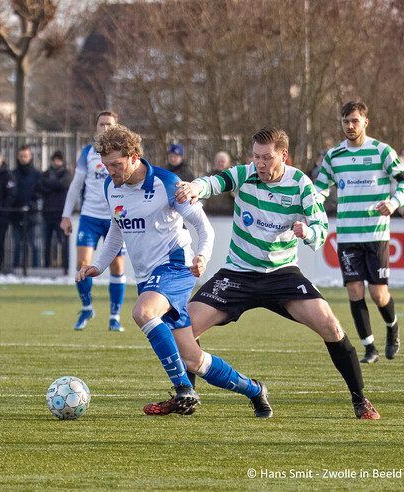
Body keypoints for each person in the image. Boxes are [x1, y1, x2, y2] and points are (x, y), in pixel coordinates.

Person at [177, 127, 380, 419]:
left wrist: (308, 232)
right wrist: (195, 187)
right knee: (184, 328)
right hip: (238, 272)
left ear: (284, 155)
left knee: (332, 328)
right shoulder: (246, 173)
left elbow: (322, 228)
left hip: (282, 274)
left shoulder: (301, 184)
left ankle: (361, 401)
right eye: (256, 156)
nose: (260, 163)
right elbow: (216, 181)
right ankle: (189, 395)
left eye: (267, 158)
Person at [77, 124, 272, 418]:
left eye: (116, 165)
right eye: (106, 166)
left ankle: (183, 390)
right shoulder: (110, 187)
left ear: (134, 157)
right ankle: (255, 390)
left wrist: (202, 257)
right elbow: (116, 229)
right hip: (148, 278)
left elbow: (203, 226)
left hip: (174, 266)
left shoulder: (166, 183)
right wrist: (98, 265)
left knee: (143, 313)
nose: (111, 172)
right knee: (194, 360)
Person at [314, 101, 404, 364]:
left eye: (355, 121)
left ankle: (392, 328)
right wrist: (311, 203)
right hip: (347, 236)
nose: (350, 126)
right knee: (354, 291)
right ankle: (369, 348)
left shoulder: (382, 151)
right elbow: (321, 189)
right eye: (345, 121)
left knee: (378, 293)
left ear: (365, 122)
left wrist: (393, 203)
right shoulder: (334, 156)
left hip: (376, 234)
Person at [61, 111, 127, 332]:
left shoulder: (124, 154)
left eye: (109, 124)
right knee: (83, 265)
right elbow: (76, 185)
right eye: (102, 124)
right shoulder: (88, 153)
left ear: (116, 127)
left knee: (117, 266)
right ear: (96, 127)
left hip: (115, 219)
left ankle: (114, 316)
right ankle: (87, 307)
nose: (105, 128)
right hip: (89, 216)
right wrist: (66, 215)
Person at [38, 150, 72, 269]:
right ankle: (46, 265)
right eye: (55, 159)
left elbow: (62, 185)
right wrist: (54, 185)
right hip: (47, 212)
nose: (57, 162)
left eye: (59, 160)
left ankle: (65, 266)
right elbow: (41, 186)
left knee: (63, 242)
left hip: (61, 214)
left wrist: (49, 184)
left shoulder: (66, 173)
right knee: (46, 242)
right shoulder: (46, 173)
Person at [11, 145, 42, 268]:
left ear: (30, 157)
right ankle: (16, 269)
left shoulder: (37, 174)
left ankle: (36, 269)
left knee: (34, 244)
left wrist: (31, 205)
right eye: (21, 156)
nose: (23, 158)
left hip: (32, 215)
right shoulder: (13, 174)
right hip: (16, 214)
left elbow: (39, 192)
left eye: (26, 156)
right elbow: (11, 193)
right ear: (18, 157)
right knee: (17, 244)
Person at [202, 151, 235, 216]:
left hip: (228, 214)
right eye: (218, 161)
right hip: (211, 213)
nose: (220, 163)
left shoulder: (233, 177)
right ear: (215, 162)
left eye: (223, 161)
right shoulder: (208, 177)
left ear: (228, 163)